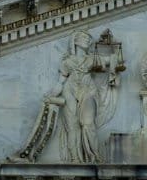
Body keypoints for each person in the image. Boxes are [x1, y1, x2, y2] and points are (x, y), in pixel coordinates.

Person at [45, 29, 120, 162]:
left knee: (88, 123)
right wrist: (50, 95)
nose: (87, 40)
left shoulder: (91, 59)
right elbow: (60, 82)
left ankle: (94, 156)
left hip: (88, 90)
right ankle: (75, 158)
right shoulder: (67, 62)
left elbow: (115, 59)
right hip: (70, 90)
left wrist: (113, 46)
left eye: (88, 39)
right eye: (84, 37)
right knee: (72, 125)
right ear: (75, 41)